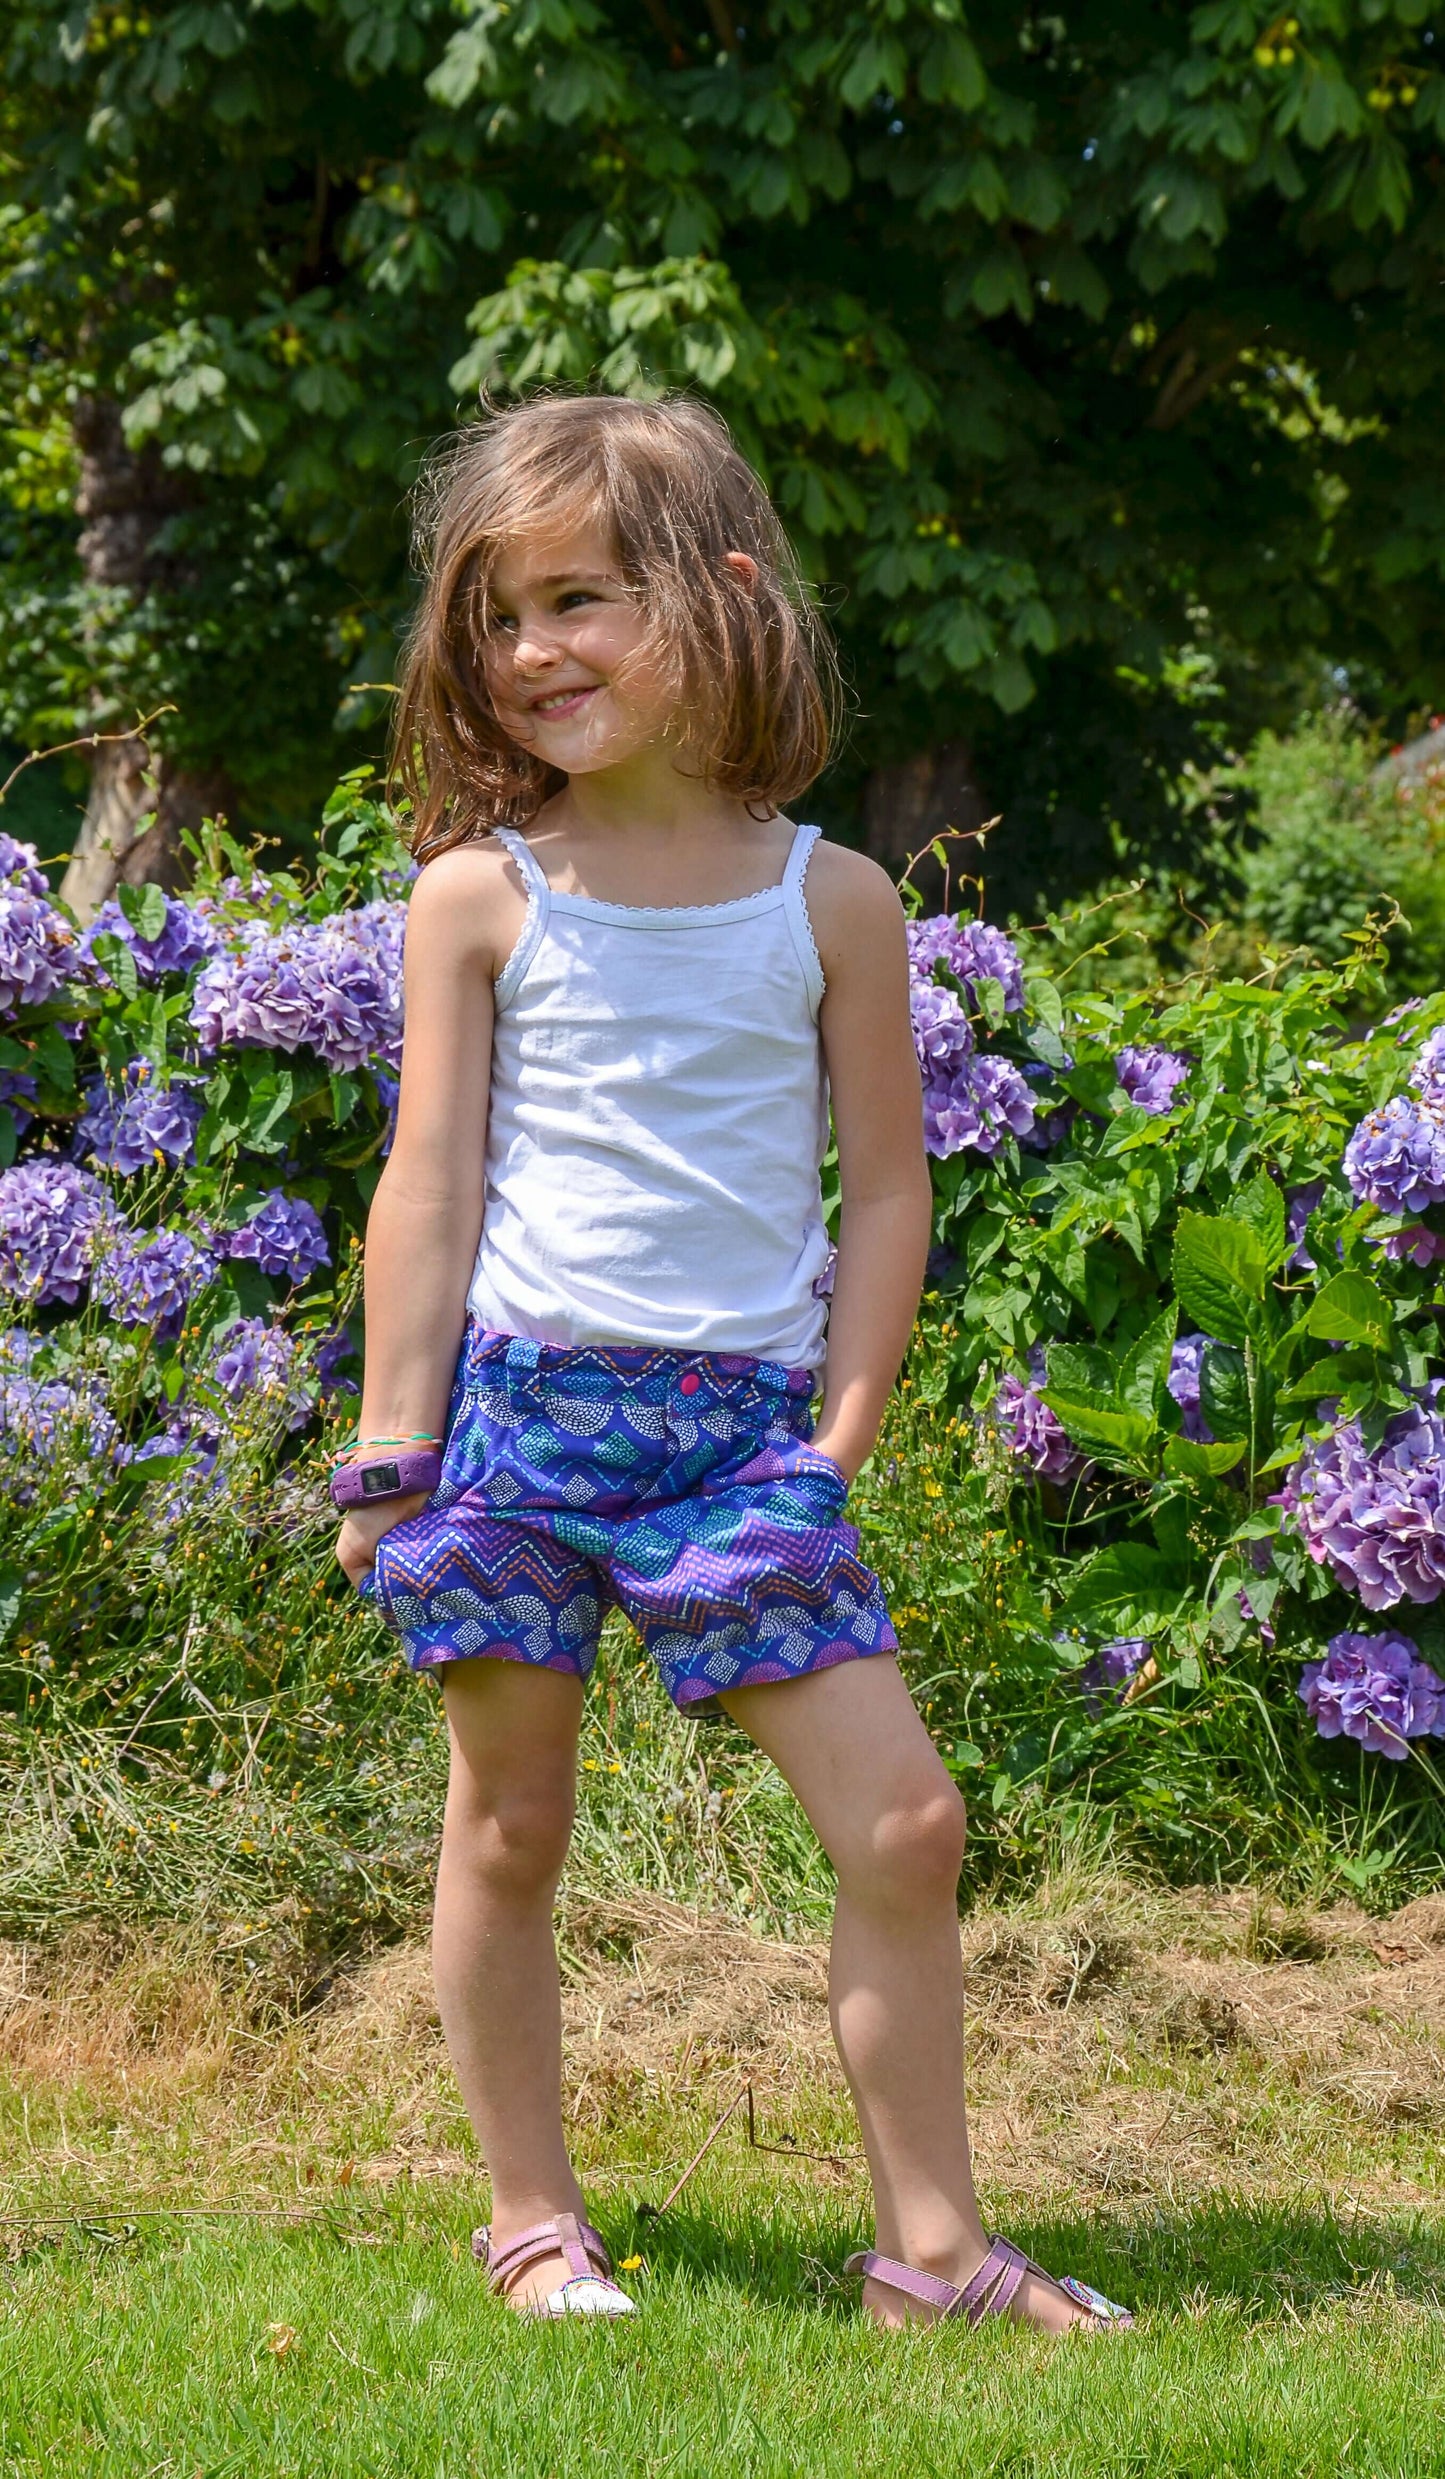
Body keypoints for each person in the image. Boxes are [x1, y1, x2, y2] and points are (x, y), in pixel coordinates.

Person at [331, 393, 1131, 2336]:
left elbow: (887, 1191)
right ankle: (532, 2220)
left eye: (578, 600)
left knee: (906, 1825)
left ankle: (932, 2259)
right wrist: (390, 1442)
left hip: (736, 1449)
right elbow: (428, 1184)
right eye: (499, 617)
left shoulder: (830, 900)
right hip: (516, 1428)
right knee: (511, 1825)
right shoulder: (480, 898)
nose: (532, 651)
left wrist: (837, 1438)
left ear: (722, 595)